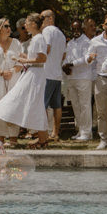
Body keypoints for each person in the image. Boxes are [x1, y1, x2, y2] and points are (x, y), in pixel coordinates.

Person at [0, 13, 52, 146]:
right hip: (32, 72)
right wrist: (21, 55)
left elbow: (42, 58)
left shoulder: (38, 39)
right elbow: (35, 57)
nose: (24, 25)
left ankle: (42, 139)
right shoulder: (36, 39)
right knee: (35, 105)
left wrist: (23, 60)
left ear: (32, 24)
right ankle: (42, 139)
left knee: (27, 101)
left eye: (26, 22)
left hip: (35, 74)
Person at [85, 15, 107, 148]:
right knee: (101, 112)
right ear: (103, 26)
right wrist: (89, 58)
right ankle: (104, 140)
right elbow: (88, 58)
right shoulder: (95, 41)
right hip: (101, 79)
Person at [38, 9, 67, 141]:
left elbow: (47, 47)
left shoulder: (47, 31)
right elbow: (64, 54)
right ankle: (55, 133)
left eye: (42, 18)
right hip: (57, 73)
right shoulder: (61, 33)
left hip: (47, 72)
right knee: (57, 106)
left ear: (50, 18)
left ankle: (43, 133)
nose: (40, 21)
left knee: (42, 105)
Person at [66, 17, 95, 142]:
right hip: (72, 77)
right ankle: (80, 130)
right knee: (76, 106)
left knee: (85, 105)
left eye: (78, 28)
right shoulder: (70, 43)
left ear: (82, 29)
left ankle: (87, 132)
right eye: (73, 29)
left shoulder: (87, 42)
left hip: (83, 77)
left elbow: (86, 59)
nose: (76, 31)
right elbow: (67, 58)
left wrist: (72, 64)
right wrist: (65, 66)